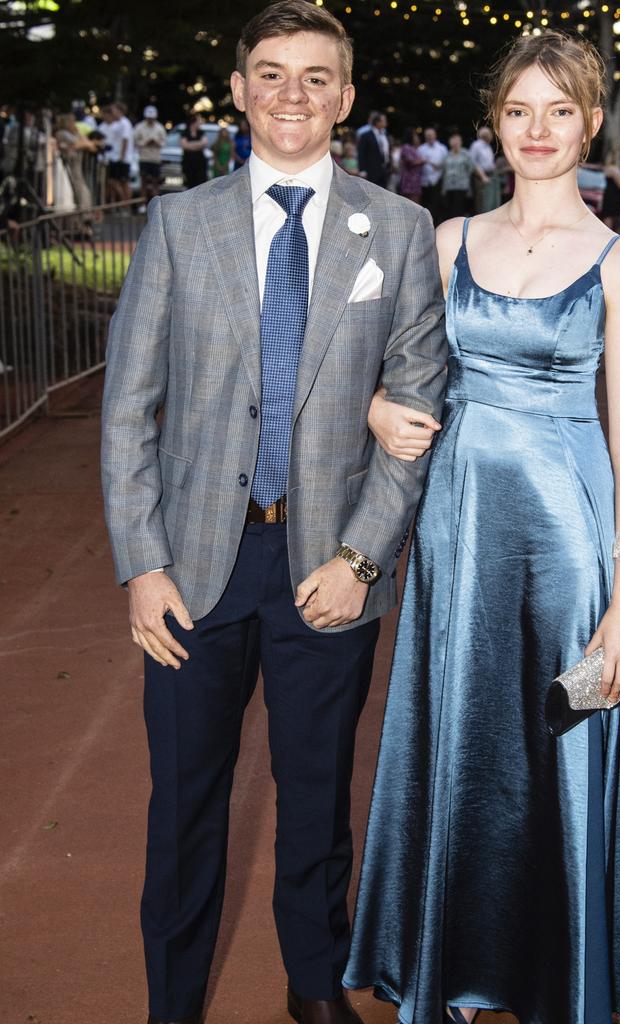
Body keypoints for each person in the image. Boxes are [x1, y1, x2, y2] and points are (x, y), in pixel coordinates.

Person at [100, 3, 447, 1023]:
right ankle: (172, 1001)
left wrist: (364, 559)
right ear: (242, 89)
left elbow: (417, 406)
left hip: (325, 565)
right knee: (185, 809)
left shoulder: (400, 228)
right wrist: (142, 563)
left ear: (344, 96)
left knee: (315, 804)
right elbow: (128, 406)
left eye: (314, 76)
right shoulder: (178, 222)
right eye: (270, 73)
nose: (291, 94)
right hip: (193, 570)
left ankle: (313, 983)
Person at [345, 30, 620, 1024]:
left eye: (559, 110)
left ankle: (558, 980)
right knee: (466, 754)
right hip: (458, 541)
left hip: (568, 543)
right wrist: (371, 412)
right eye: (519, 110)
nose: (537, 129)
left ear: (591, 122)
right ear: (495, 124)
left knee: (561, 753)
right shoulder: (445, 243)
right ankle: (455, 968)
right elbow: (383, 379)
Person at [133, 104, 167, 208]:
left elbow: (164, 142)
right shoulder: (139, 127)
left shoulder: (159, 128)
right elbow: (135, 141)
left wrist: (156, 143)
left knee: (155, 182)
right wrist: (145, 143)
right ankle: (142, 204)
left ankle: (156, 205)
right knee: (144, 181)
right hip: (144, 158)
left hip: (155, 159)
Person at [441, 132, 474, 219]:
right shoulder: (447, 155)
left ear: (460, 142)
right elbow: (444, 172)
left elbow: (471, 169)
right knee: (450, 211)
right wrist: (443, 189)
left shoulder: (465, 154)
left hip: (462, 186)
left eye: (457, 141)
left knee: (460, 209)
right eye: (453, 141)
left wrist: (469, 187)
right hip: (449, 187)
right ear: (450, 143)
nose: (455, 143)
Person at [418, 126, 447, 222]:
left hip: (438, 180)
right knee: (425, 204)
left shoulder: (442, 148)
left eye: (431, 135)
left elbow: (445, 164)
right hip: (424, 181)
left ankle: (437, 224)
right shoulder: (421, 149)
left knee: (436, 204)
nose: (429, 137)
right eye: (427, 135)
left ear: (435, 136)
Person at [468, 124, 500, 212]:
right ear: (486, 135)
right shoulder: (476, 145)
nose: (492, 136)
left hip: (491, 175)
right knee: (483, 203)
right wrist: (483, 177)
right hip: (481, 177)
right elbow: (473, 163)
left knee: (492, 202)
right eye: (491, 134)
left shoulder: (488, 146)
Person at [356, 110, 389, 187]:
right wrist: (362, 170)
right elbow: (361, 153)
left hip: (384, 170)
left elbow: (386, 151)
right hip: (371, 171)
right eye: (383, 120)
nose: (386, 122)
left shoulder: (385, 135)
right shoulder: (366, 136)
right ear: (377, 122)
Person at [180, 113, 208, 189]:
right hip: (188, 163)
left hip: (200, 163)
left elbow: (204, 143)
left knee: (201, 183)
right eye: (198, 121)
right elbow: (184, 145)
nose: (200, 123)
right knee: (190, 184)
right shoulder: (185, 132)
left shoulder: (201, 132)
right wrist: (198, 145)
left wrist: (190, 145)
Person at [398, 128, 423, 203]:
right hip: (409, 180)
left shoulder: (414, 148)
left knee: (416, 201)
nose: (416, 137)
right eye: (415, 135)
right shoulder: (406, 147)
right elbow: (410, 162)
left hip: (416, 180)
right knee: (410, 201)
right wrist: (422, 161)